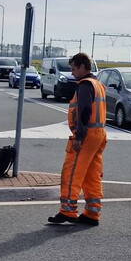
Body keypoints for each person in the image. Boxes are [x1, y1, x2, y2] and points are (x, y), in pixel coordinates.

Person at [49, 52, 107, 226]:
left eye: (74, 68)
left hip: (86, 135)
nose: (72, 72)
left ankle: (68, 210)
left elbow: (84, 112)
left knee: (72, 172)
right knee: (92, 174)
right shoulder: (98, 85)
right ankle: (92, 213)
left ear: (82, 66)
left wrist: (80, 136)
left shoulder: (84, 85)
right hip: (99, 134)